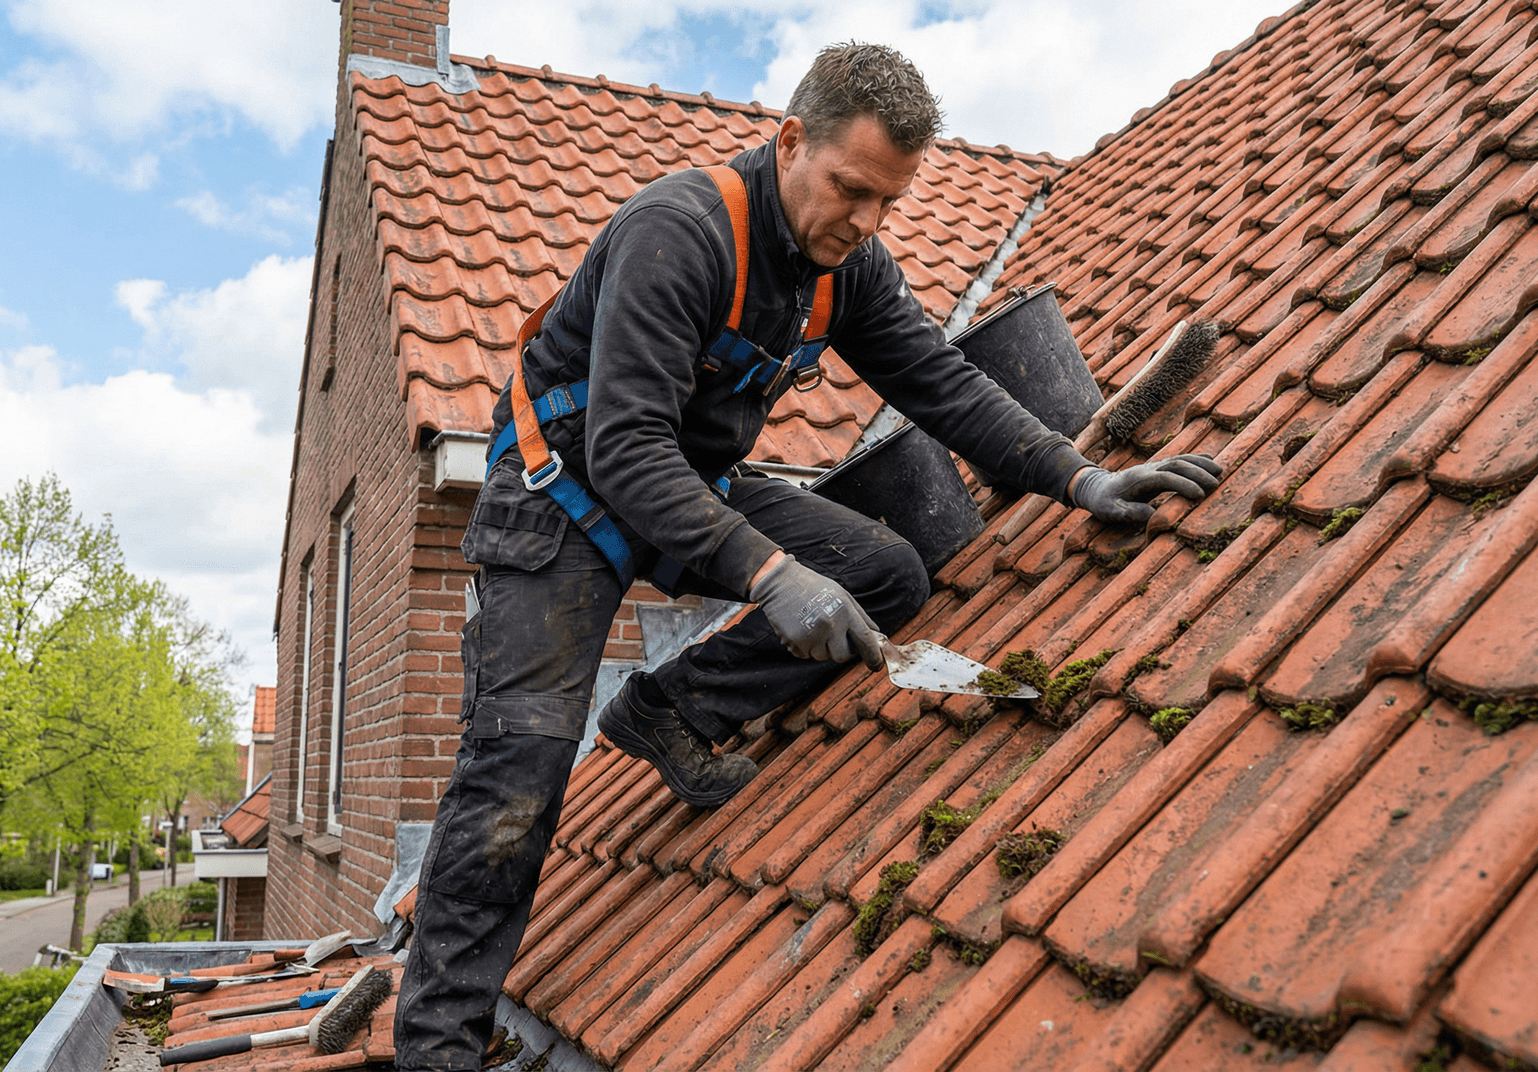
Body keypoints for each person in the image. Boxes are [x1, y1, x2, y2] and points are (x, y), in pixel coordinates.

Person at [393, 42, 1220, 1071]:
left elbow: (942, 383)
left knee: (886, 573)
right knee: (522, 760)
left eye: (888, 201)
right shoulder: (680, 234)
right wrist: (769, 574)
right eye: (851, 190)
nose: (867, 221)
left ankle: (671, 707)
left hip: (692, 489)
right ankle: (437, 1043)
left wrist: (1077, 476)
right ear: (791, 143)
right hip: (559, 495)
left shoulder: (849, 268)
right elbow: (626, 447)